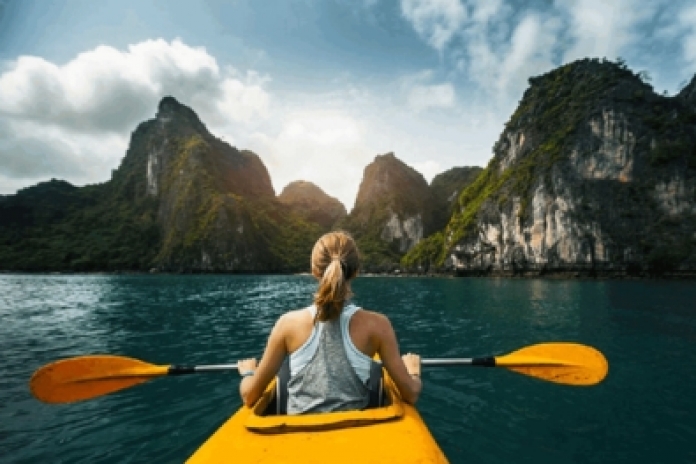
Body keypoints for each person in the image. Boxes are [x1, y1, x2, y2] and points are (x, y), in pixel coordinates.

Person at [237, 230, 422, 414]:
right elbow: (411, 393)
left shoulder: (287, 324)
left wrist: (248, 373)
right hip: (353, 437)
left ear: (315, 271)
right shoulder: (378, 325)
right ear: (356, 271)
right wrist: (413, 371)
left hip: (298, 437)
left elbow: (249, 395)